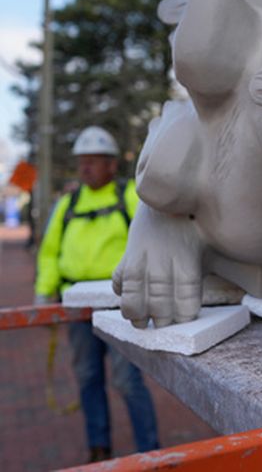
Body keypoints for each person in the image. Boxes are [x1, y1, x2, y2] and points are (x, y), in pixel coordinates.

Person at [35, 126, 159, 462]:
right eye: (82, 161)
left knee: (127, 381)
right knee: (88, 379)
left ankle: (151, 451)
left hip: (120, 306)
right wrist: (44, 294)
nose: (86, 167)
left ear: (111, 165)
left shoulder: (130, 196)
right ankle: (98, 448)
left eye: (94, 161)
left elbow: (155, 237)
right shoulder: (67, 204)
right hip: (76, 307)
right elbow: (49, 252)